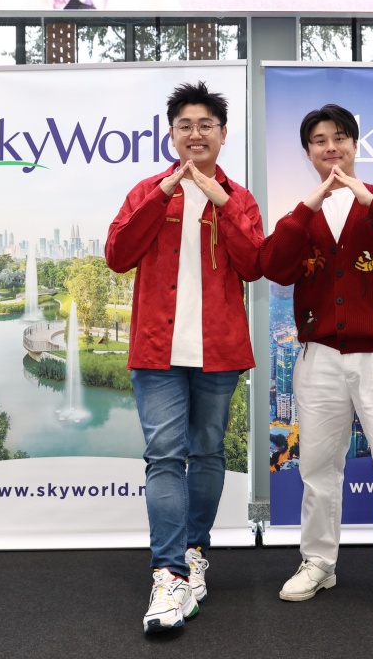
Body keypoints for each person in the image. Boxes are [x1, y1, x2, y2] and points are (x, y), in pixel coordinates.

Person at [260, 103, 373, 617]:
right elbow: (272, 266)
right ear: (308, 152)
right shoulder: (303, 214)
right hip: (319, 356)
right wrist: (307, 208)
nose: (331, 147)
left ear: (356, 144)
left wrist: (368, 198)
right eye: (319, 140)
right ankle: (318, 562)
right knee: (317, 467)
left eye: (340, 137)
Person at [106, 82, 264, 633]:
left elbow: (254, 265)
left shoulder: (239, 198)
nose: (195, 134)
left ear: (223, 134)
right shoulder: (147, 190)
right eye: (185, 126)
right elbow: (118, 255)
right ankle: (169, 574)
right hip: (157, 351)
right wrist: (163, 193)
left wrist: (221, 202)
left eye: (205, 125)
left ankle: (195, 552)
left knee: (209, 453)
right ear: (171, 135)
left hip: (219, 351)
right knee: (165, 457)